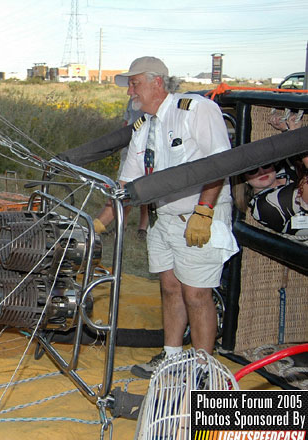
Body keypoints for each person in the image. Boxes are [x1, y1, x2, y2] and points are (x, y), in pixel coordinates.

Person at [113, 56, 238, 379]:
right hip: (164, 218)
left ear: (157, 82)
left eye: (134, 82)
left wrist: (204, 210)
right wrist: (101, 220)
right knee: (169, 287)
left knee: (196, 294)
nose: (130, 91)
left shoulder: (194, 110)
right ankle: (170, 357)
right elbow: (129, 183)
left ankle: (202, 367)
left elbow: (220, 164)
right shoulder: (144, 126)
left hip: (197, 216)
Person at [242, 111, 307, 240]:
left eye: (266, 165)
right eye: (252, 170)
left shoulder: (285, 171)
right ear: (243, 179)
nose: (261, 171)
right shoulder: (263, 205)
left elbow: (294, 152)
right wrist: (297, 136)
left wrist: (287, 127)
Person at [93, 99, 150, 240]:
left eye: (135, 83)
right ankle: (120, 225)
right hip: (129, 150)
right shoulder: (132, 101)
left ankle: (143, 228)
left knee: (147, 193)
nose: (129, 91)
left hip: (148, 154)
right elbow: (126, 123)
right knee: (123, 190)